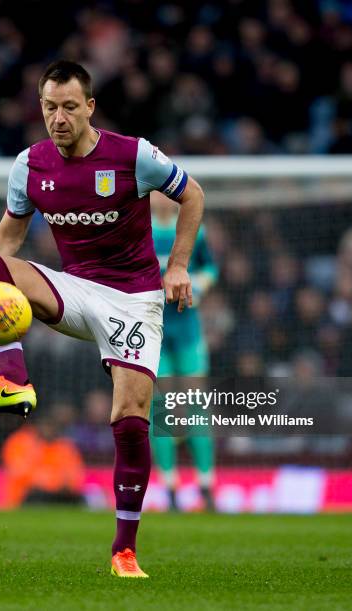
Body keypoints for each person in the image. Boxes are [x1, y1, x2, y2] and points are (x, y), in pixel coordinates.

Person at [0, 60, 205, 578]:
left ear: (89, 107)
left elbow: (193, 194)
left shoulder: (134, 155)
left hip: (134, 300)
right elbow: (10, 233)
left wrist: (178, 266)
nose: (57, 118)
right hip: (78, 290)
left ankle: (124, 550)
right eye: (48, 107)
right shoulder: (30, 165)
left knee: (129, 420)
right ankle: (12, 380)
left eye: (67, 107)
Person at [150, 191, 218, 511]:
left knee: (194, 406)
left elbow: (210, 268)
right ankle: (171, 487)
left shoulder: (193, 229)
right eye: (156, 193)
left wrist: (199, 287)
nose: (162, 200)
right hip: (155, 329)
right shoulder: (140, 231)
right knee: (163, 407)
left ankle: (206, 485)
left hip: (187, 328)